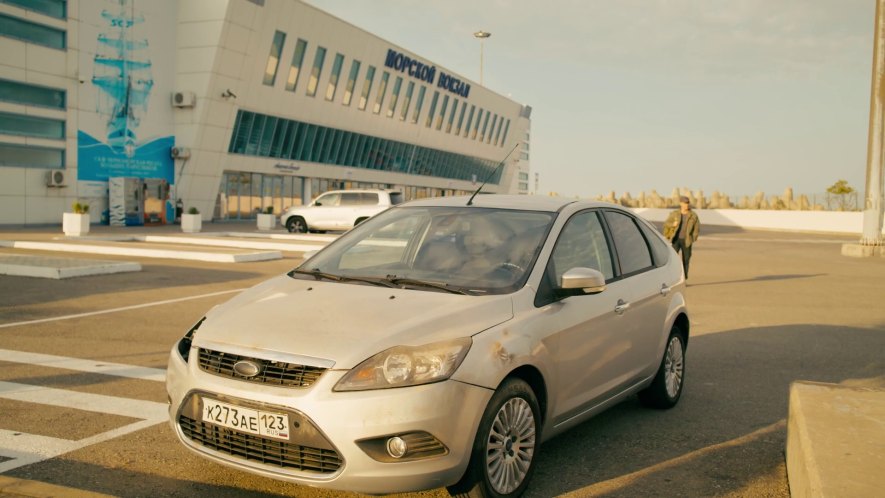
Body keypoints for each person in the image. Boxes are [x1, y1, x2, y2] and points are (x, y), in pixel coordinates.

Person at [663, 196, 700, 278]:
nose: (687, 205)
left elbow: (697, 228)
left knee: (686, 260)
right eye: (685, 203)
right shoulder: (675, 214)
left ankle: (684, 278)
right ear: (681, 203)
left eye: (687, 203)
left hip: (687, 241)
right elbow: (666, 223)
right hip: (676, 239)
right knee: (673, 260)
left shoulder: (693, 215)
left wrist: (693, 238)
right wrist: (673, 224)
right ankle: (672, 276)